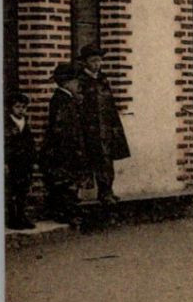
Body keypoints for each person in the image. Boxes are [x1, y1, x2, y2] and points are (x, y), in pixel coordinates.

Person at [75, 45, 129, 204]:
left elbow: (109, 104)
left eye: (99, 61)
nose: (97, 64)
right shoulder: (81, 81)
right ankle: (78, 193)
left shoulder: (103, 79)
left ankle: (106, 191)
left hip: (105, 126)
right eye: (93, 61)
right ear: (85, 62)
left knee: (106, 160)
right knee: (85, 160)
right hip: (88, 128)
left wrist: (113, 126)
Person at [39, 63, 85, 226]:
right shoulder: (62, 100)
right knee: (64, 183)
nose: (79, 84)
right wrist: (72, 149)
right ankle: (63, 213)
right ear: (67, 83)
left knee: (65, 182)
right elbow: (63, 129)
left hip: (64, 149)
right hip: (62, 150)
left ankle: (65, 212)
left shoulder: (67, 99)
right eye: (76, 81)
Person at [5, 91, 36, 230]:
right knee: (12, 191)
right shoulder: (6, 124)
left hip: (24, 162)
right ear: (11, 108)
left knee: (23, 191)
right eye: (18, 107)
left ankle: (22, 216)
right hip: (12, 162)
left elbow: (30, 143)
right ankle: (13, 219)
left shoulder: (25, 122)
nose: (21, 110)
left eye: (23, 107)